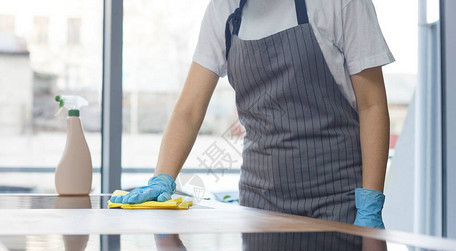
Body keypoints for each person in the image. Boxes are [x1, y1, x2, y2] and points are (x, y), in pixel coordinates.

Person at [111, 0, 394, 229]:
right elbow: (189, 108)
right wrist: (163, 177)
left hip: (336, 202)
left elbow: (372, 104)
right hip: (259, 205)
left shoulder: (341, 3)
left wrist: (369, 205)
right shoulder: (224, 10)